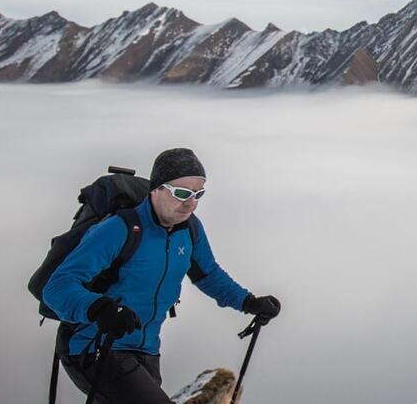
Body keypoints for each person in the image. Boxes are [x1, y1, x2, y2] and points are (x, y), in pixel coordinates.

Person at [43, 148, 282, 404]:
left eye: (198, 194)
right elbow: (56, 287)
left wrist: (248, 302)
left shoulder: (190, 229)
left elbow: (208, 274)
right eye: (181, 193)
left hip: (146, 350)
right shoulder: (118, 229)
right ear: (156, 189)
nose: (190, 203)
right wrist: (99, 309)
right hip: (96, 347)